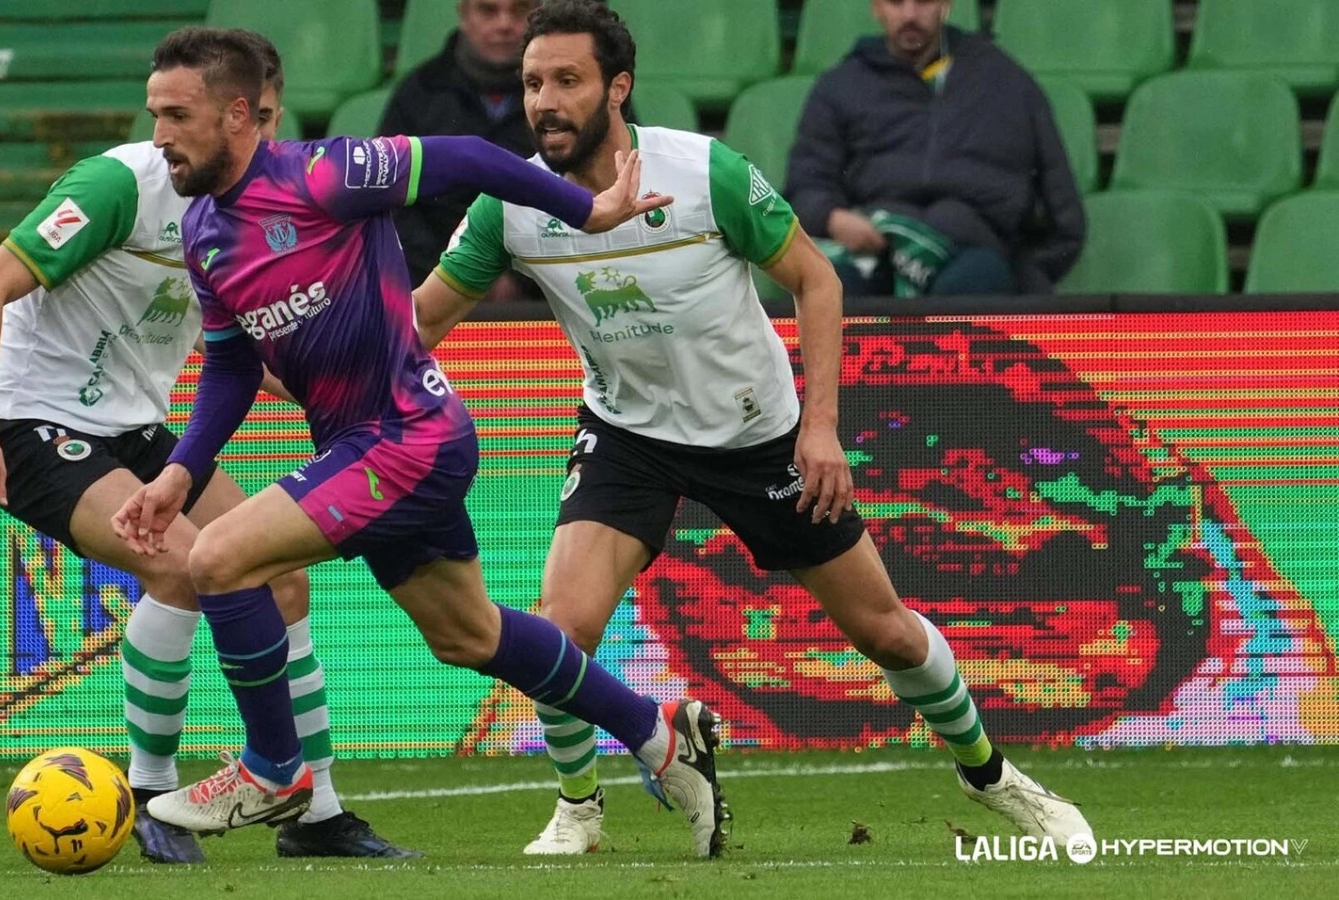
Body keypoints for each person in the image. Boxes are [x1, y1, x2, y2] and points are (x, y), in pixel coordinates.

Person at [413, 0, 1093, 855]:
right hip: (628, 434)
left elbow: (817, 280)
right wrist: (320, 356)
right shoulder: (509, 204)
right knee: (562, 628)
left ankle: (991, 775)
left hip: (758, 437)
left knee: (883, 631)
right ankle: (579, 808)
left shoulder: (704, 174)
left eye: (567, 81)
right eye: (532, 83)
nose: (544, 101)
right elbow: (421, 322)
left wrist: (821, 428)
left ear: (617, 88)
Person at [112, 25, 729, 860]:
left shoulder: (323, 176)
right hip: (366, 449)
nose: (159, 135)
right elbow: (228, 366)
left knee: (218, 559)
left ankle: (276, 769)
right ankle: (659, 735)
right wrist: (179, 476)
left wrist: (588, 212)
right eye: (154, 114)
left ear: (236, 115)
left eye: (177, 116)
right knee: (469, 635)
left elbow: (469, 156)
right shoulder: (203, 234)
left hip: (408, 437)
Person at [0, 31, 417, 862]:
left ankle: (317, 814)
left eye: (268, 118)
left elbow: (239, 345)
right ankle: (151, 792)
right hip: (33, 424)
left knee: (283, 575)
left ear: (261, 114)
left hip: (134, 425)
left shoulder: (246, 209)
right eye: (161, 115)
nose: (169, 133)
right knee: (184, 567)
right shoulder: (119, 186)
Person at [783, 0, 1084, 297]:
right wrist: (832, 218)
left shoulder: (1007, 82)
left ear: (945, 4)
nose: (910, 14)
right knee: (832, 289)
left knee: (975, 282)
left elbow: (1063, 214)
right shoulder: (840, 86)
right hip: (875, 248)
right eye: (896, 2)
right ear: (877, 8)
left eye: (924, 1)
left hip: (973, 252)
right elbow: (806, 184)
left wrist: (1029, 276)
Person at [380, 0, 537, 288]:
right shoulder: (418, 92)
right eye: (488, 10)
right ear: (464, 15)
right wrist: (454, 275)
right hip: (429, 282)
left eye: (519, 10)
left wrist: (522, 279)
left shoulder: (569, 95)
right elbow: (389, 199)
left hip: (545, 289)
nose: (504, 24)